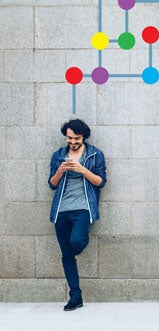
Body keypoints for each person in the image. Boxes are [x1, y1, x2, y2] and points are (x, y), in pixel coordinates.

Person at [48, 119, 107, 311]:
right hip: (61, 210)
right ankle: (75, 296)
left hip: (83, 208)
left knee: (76, 242)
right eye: (69, 138)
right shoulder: (58, 156)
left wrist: (82, 169)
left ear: (84, 137)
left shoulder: (95, 154)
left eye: (76, 138)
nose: (72, 142)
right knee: (67, 255)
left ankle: (81, 241)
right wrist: (60, 170)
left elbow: (100, 182)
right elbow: (52, 184)